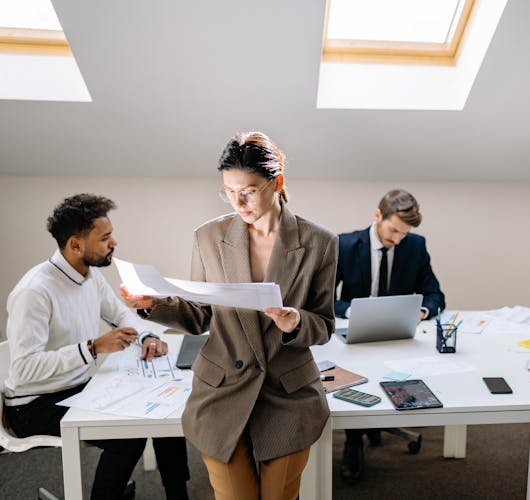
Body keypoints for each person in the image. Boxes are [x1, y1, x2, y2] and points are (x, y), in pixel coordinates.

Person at [121, 131, 337, 500]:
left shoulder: (319, 242)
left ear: (277, 183)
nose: (238, 201)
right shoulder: (208, 236)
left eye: (249, 190)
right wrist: (151, 304)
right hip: (221, 390)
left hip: (286, 393)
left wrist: (296, 322)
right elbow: (200, 315)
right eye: (228, 191)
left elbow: (324, 325)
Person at [3, 194, 190, 500]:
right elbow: (23, 370)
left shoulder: (88, 275)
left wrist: (147, 337)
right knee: (127, 438)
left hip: (76, 386)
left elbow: (121, 316)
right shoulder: (35, 291)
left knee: (158, 408)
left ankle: (176, 492)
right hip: (33, 405)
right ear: (76, 245)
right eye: (104, 238)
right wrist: (91, 348)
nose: (113, 243)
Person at [335, 188, 446, 483]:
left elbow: (435, 295)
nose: (397, 239)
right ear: (377, 216)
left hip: (398, 335)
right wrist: (351, 311)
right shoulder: (345, 245)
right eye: (393, 230)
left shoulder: (415, 246)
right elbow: (321, 298)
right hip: (354, 333)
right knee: (355, 374)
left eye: (403, 234)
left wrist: (420, 312)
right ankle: (354, 441)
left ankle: (372, 423)